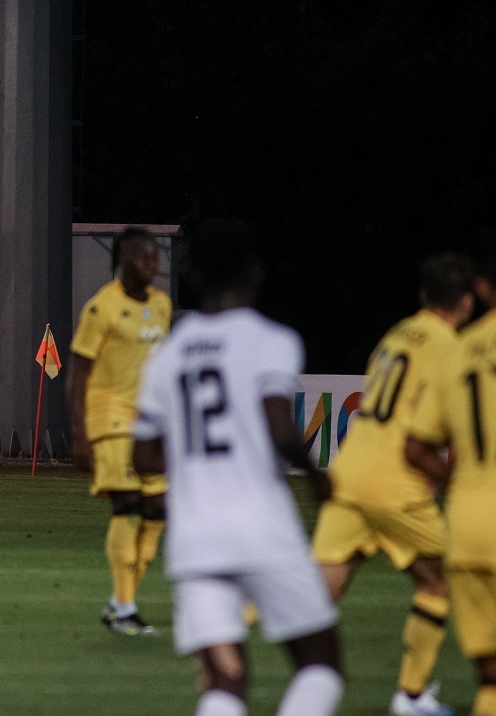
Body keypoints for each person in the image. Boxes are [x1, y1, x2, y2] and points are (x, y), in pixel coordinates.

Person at [133, 221, 344, 716]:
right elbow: (279, 428)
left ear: (195, 276)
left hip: (195, 539)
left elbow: (142, 457)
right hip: (261, 526)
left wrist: (191, 463)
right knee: (320, 664)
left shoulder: (166, 357)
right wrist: (317, 478)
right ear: (255, 272)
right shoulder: (272, 340)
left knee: (225, 682)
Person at [309, 253, 476, 716]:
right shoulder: (450, 346)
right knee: (440, 581)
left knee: (316, 597)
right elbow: (444, 430)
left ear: (424, 295)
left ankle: (230, 622)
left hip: (350, 474)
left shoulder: (398, 333)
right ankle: (411, 695)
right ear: (465, 304)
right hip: (395, 482)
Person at [69, 227, 174, 635]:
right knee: (127, 504)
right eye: (140, 256)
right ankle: (127, 609)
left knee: (157, 511)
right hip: (109, 415)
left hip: (149, 420)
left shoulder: (163, 306)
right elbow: (77, 375)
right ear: (120, 261)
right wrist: (80, 435)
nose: (150, 263)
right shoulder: (102, 309)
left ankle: (119, 601)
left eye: (153, 256)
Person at [406, 248, 496, 716]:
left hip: (468, 524)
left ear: (481, 289)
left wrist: (463, 485)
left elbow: (416, 449)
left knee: (490, 677)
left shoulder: (456, 350)